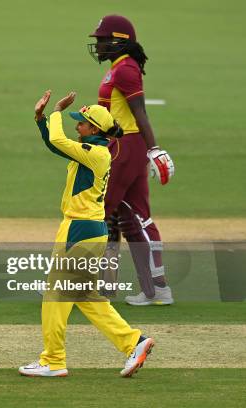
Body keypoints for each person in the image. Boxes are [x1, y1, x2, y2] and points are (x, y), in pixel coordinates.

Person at [18, 90, 154, 378]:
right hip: (87, 229)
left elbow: (57, 140)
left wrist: (55, 110)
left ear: (94, 129)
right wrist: (41, 118)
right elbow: (56, 145)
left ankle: (53, 360)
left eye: (81, 123)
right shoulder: (92, 150)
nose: (77, 126)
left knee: (55, 296)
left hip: (80, 229)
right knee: (84, 296)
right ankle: (134, 341)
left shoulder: (94, 153)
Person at [88, 15, 175, 305]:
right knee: (135, 217)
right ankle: (156, 289)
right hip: (126, 146)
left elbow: (140, 113)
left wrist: (154, 149)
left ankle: (72, 284)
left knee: (95, 212)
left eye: (101, 40)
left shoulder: (124, 69)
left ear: (119, 41)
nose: (97, 45)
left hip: (124, 147)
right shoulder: (119, 67)